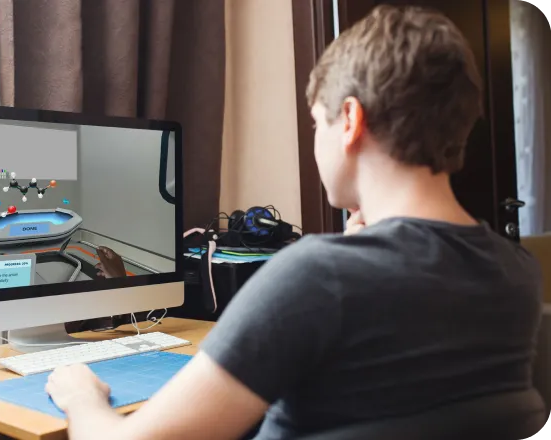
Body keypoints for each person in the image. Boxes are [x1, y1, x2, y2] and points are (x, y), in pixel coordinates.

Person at [44, 5, 543, 439]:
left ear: (349, 120)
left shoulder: (318, 276)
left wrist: (80, 393)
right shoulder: (514, 273)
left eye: (316, 124)